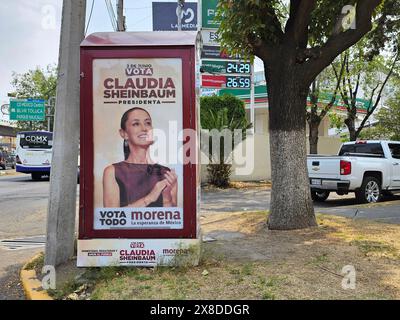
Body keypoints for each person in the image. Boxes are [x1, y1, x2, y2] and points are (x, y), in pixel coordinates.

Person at [103, 107, 178, 207]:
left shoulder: (167, 173)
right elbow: (111, 219)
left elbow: (172, 220)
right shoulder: (112, 172)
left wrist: (166, 197)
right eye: (136, 124)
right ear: (124, 134)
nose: (144, 128)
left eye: (148, 123)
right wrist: (150, 198)